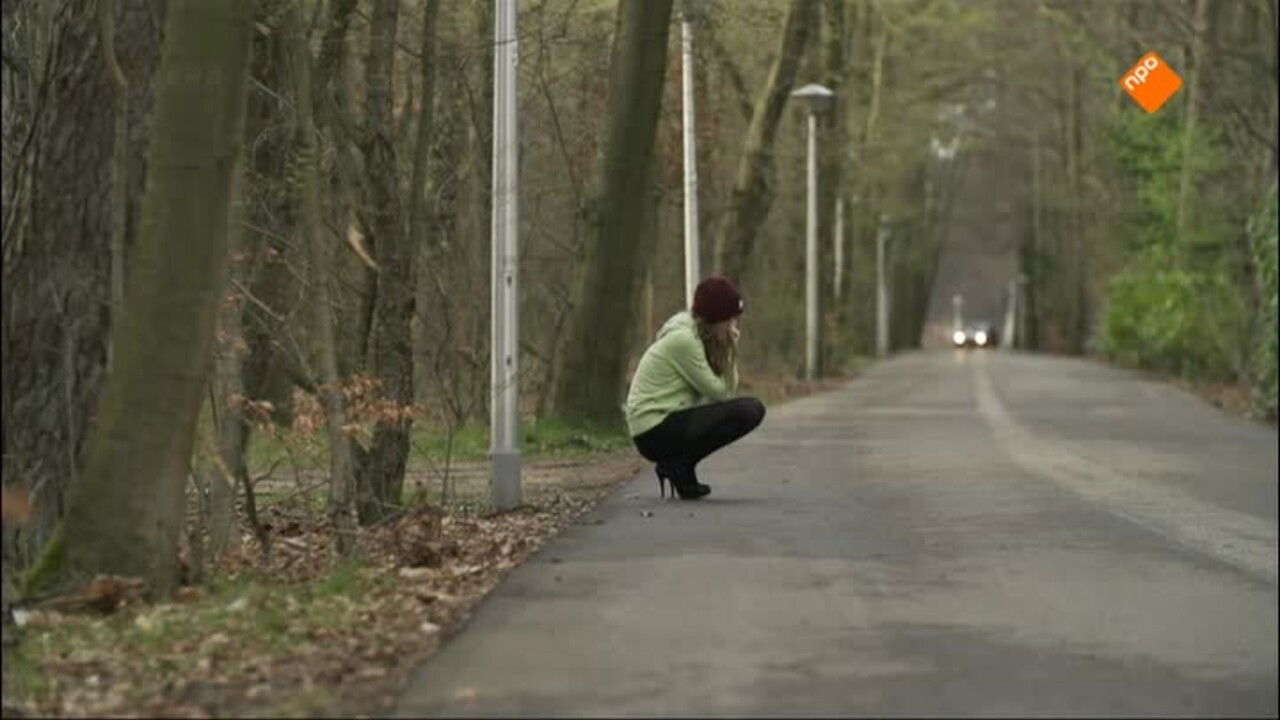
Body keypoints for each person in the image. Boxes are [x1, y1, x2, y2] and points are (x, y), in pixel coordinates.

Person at [624, 276, 766, 500]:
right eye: (730, 320)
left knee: (749, 410)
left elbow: (727, 389)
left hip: (664, 422)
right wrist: (730, 350)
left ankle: (681, 469)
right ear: (716, 318)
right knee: (749, 410)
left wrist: (728, 352)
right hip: (653, 428)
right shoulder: (685, 341)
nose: (734, 326)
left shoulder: (699, 336)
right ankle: (678, 466)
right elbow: (719, 394)